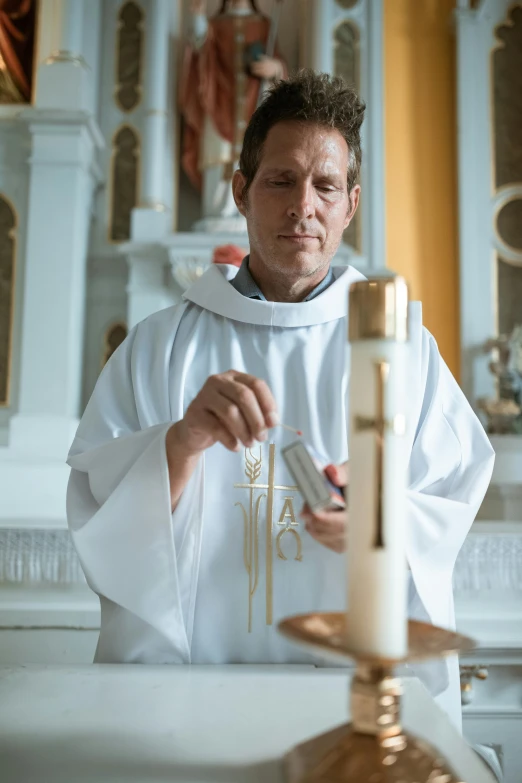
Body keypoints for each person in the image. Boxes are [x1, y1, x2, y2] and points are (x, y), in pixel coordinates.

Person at [67, 71, 494, 730]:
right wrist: (178, 445)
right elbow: (98, 501)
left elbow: (453, 487)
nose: (304, 206)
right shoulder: (162, 345)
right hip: (190, 698)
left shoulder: (399, 344)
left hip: (349, 701)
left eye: (325, 186)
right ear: (241, 191)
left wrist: (381, 522)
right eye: (280, 180)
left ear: (351, 204)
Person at [180, 0, 285, 226]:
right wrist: (197, 16)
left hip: (253, 105)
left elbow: (279, 66)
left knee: (254, 155)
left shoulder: (264, 24)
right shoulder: (215, 25)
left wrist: (275, 67)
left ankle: (249, 211)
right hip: (218, 102)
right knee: (217, 154)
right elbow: (200, 45)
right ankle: (217, 212)